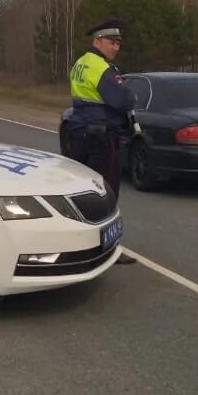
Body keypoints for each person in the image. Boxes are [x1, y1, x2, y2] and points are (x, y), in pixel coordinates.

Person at [64, 18, 137, 263]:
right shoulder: (102, 68)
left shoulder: (79, 64)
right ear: (98, 41)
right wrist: (131, 94)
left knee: (81, 191)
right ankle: (108, 248)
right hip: (102, 137)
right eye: (112, 42)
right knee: (107, 193)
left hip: (79, 133)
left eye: (119, 43)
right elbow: (122, 101)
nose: (116, 47)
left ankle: (79, 244)